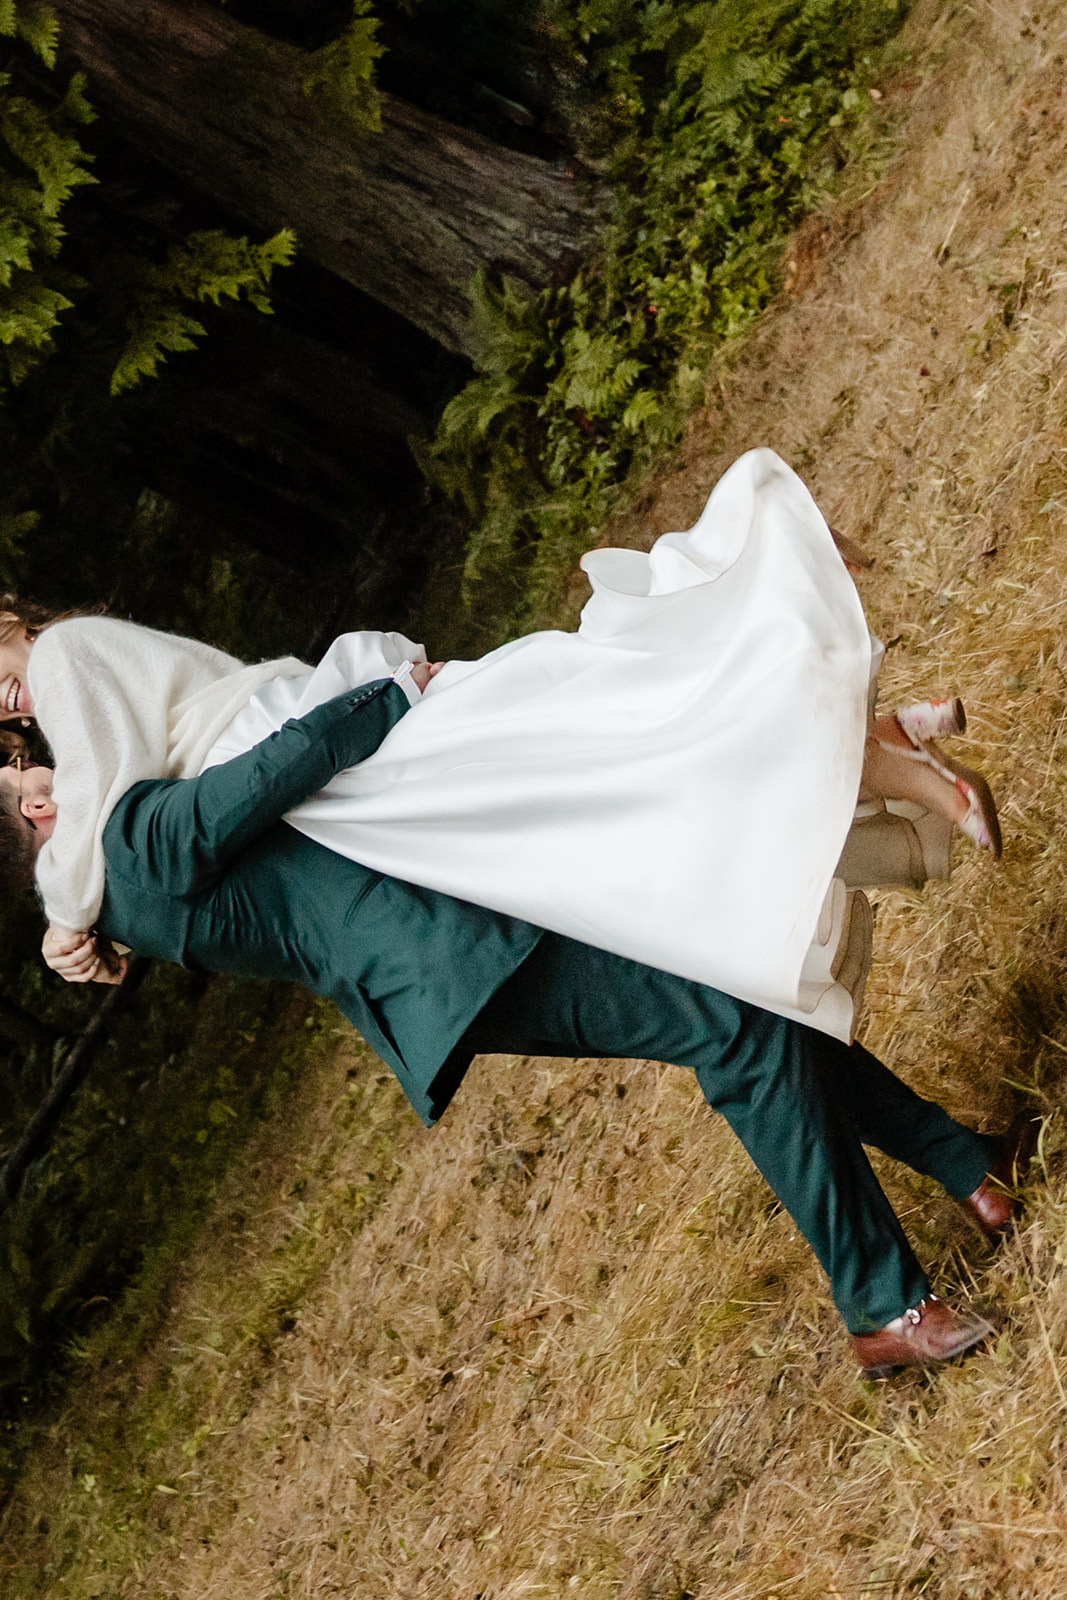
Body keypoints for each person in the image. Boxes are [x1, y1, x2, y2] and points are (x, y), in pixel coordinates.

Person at [0, 687, 1023, 1375]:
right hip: (461, 951)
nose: (41, 777)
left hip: (457, 942)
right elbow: (292, 757)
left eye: (26, 764)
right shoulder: (132, 841)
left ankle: (960, 1159)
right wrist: (396, 686)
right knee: (737, 1034)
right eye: (22, 790)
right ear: (34, 828)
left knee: (742, 995)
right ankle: (883, 1310)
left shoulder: (105, 895)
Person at [0, 450, 1001, 1043]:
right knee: (572, 758)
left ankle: (824, 709)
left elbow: (106, 796)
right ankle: (866, 740)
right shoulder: (66, 670)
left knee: (573, 767)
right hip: (301, 770)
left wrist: (62, 913)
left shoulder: (60, 660)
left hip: (302, 760)